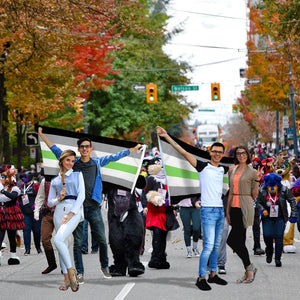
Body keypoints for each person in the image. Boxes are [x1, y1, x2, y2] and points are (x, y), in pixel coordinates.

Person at [38, 127, 142, 283]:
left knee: (101, 239)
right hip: (77, 209)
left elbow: (115, 157)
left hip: (93, 207)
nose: (85, 149)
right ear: (79, 150)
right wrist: (41, 135)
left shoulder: (97, 162)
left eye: (87, 146)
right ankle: (80, 273)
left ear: (91, 149)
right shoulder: (73, 164)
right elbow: (55, 150)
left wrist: (132, 149)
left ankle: (104, 266)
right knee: (78, 243)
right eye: (82, 147)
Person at [156, 126, 228, 291]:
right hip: (208, 210)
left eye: (220, 152)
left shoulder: (223, 169)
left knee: (216, 245)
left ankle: (213, 274)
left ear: (223, 154)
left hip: (219, 210)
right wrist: (166, 136)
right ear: (210, 152)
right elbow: (183, 152)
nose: (217, 154)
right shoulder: (202, 167)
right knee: (209, 245)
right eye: (214, 151)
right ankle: (201, 277)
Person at [48, 149, 85, 292]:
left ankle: (71, 273)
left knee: (58, 240)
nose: (70, 163)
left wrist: (70, 214)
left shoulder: (77, 175)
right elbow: (50, 203)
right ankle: (66, 279)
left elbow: (81, 196)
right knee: (61, 243)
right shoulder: (55, 180)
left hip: (73, 211)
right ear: (62, 161)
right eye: (68, 160)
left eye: (72, 160)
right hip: (59, 211)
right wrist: (58, 198)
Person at [226, 146, 262, 284]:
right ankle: (248, 270)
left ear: (247, 155)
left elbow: (254, 195)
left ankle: (249, 267)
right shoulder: (232, 170)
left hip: (245, 205)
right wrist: (227, 211)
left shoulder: (252, 172)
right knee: (239, 241)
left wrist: (258, 181)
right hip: (233, 206)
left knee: (232, 240)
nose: (241, 156)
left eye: (243, 153)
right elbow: (230, 191)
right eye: (238, 154)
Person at [142, 156, 179, 270]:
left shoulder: (168, 180)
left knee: (163, 235)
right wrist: (154, 199)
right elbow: (147, 193)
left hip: (166, 211)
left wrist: (174, 207)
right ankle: (155, 258)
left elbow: (173, 194)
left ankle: (162, 258)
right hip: (155, 211)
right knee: (157, 234)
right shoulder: (151, 179)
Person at [257, 172, 298, 267]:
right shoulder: (262, 190)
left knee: (279, 237)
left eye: (274, 186)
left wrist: (294, 214)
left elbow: (292, 200)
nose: (272, 189)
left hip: (280, 217)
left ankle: (278, 259)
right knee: (267, 235)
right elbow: (258, 202)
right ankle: (269, 251)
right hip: (267, 218)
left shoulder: (284, 190)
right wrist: (262, 210)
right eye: (270, 186)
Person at [0, 165, 25, 266]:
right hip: (1, 211)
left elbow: (13, 196)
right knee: (0, 234)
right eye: (2, 177)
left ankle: (13, 255)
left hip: (11, 212)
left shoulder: (14, 188)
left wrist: (3, 191)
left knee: (11, 235)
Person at [34, 175, 57, 274]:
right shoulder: (45, 181)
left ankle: (65, 265)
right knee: (45, 239)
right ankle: (52, 264)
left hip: (61, 213)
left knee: (62, 241)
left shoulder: (66, 178)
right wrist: (36, 211)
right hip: (47, 213)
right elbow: (40, 197)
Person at [19, 172, 42, 255]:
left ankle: (38, 248)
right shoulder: (21, 186)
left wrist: (36, 205)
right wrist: (18, 203)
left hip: (35, 212)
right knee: (26, 230)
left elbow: (40, 196)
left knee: (37, 230)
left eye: (25, 177)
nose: (23, 179)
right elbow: (18, 196)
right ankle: (27, 249)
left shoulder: (36, 186)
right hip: (25, 212)